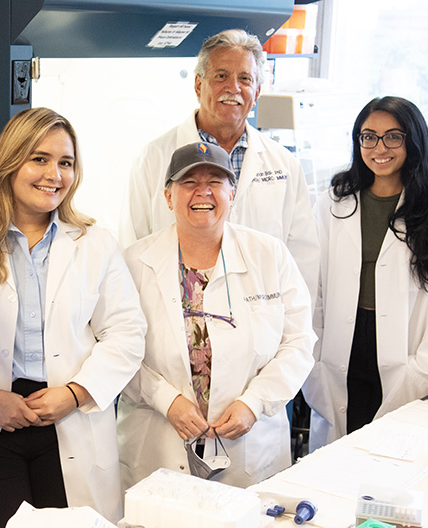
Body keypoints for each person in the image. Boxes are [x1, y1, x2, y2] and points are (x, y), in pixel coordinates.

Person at [0, 107, 146, 526]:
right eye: (39, 158)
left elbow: (126, 334)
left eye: (66, 162)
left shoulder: (95, 243)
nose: (54, 174)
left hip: (68, 414)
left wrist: (75, 393)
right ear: (10, 161)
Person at [117, 142, 315, 489]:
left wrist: (253, 404)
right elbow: (115, 348)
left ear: (232, 193)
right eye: (189, 182)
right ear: (167, 196)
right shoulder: (133, 263)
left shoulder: (269, 255)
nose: (202, 192)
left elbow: (298, 342)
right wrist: (167, 400)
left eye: (215, 182)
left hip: (249, 446)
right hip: (158, 441)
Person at [302, 96, 428, 451]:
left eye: (393, 137)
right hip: (341, 346)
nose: (379, 148)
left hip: (406, 350)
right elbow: (312, 287)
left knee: (390, 458)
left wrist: (422, 369)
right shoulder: (335, 201)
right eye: (368, 137)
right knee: (336, 455)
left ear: (413, 141)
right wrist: (314, 358)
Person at [120, 28, 319, 304]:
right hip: (174, 320)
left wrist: (292, 333)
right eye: (221, 76)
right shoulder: (154, 159)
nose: (233, 88)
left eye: (245, 78)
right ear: (199, 84)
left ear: (258, 90)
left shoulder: (284, 165)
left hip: (260, 326)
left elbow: (303, 261)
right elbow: (132, 248)